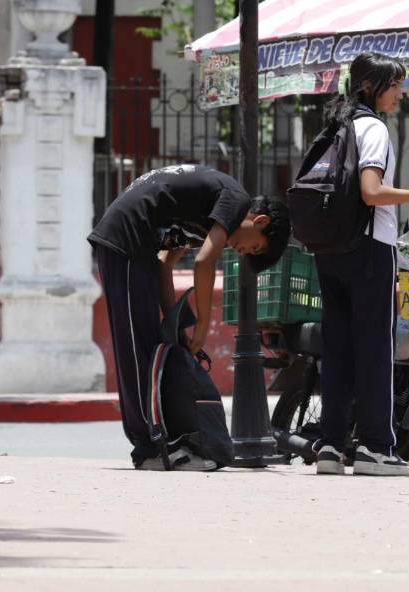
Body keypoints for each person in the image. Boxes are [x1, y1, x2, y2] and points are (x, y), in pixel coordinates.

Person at [88, 164, 290, 471]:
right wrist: (201, 329)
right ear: (259, 220)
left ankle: (157, 442)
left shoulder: (203, 218)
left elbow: (164, 265)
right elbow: (205, 261)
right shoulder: (236, 201)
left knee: (147, 348)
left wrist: (176, 326)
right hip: (125, 239)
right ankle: (149, 447)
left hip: (135, 246)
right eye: (254, 246)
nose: (243, 252)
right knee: (136, 350)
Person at [315, 53, 409, 477]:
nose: (399, 94)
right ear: (373, 86)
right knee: (375, 348)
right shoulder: (371, 128)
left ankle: (331, 446)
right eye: (394, 86)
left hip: (331, 249)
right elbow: (371, 192)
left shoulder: (335, 124)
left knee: (337, 348)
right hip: (369, 248)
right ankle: (376, 446)